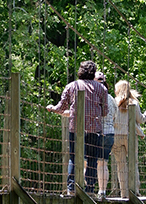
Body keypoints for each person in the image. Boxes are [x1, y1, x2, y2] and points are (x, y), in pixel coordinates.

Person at [46, 61, 108, 194]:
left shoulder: (71, 86)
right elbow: (104, 112)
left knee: (74, 158)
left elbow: (61, 107)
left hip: (75, 129)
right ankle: (90, 189)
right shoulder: (102, 88)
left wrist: (52, 108)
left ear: (80, 71)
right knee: (92, 159)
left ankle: (71, 188)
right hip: (94, 129)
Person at [112, 79, 146, 199]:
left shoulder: (113, 102)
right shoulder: (134, 103)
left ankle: (124, 193)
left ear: (119, 90)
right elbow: (140, 120)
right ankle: (135, 191)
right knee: (133, 163)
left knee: (120, 165)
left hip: (115, 137)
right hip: (130, 137)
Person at [95, 71, 116, 199]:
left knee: (87, 162)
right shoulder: (111, 99)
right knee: (103, 163)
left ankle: (88, 189)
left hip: (97, 133)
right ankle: (102, 191)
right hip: (110, 133)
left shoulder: (93, 96)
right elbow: (115, 116)